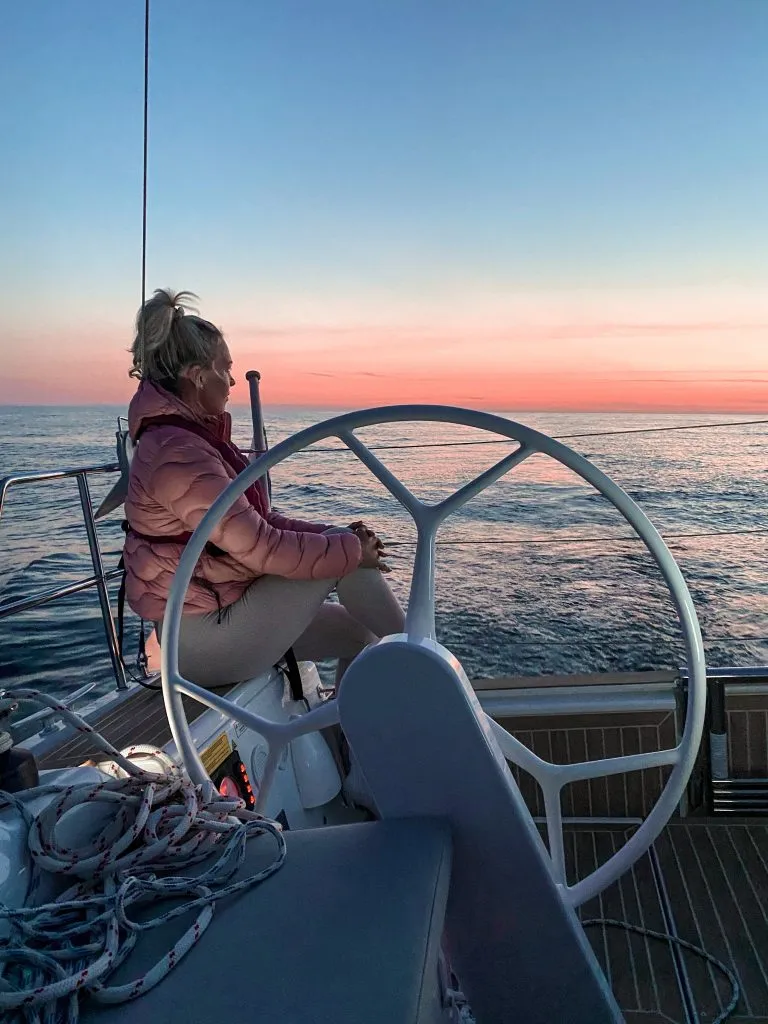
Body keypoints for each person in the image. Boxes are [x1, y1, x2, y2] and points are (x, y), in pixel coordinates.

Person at [122, 288, 405, 691]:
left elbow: (258, 523)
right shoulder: (178, 455)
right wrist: (350, 548)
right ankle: (431, 664)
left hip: (225, 612)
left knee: (358, 634)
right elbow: (261, 546)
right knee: (347, 554)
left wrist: (337, 537)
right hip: (202, 642)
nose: (232, 380)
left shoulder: (192, 441)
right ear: (199, 376)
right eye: (226, 368)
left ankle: (351, 739)